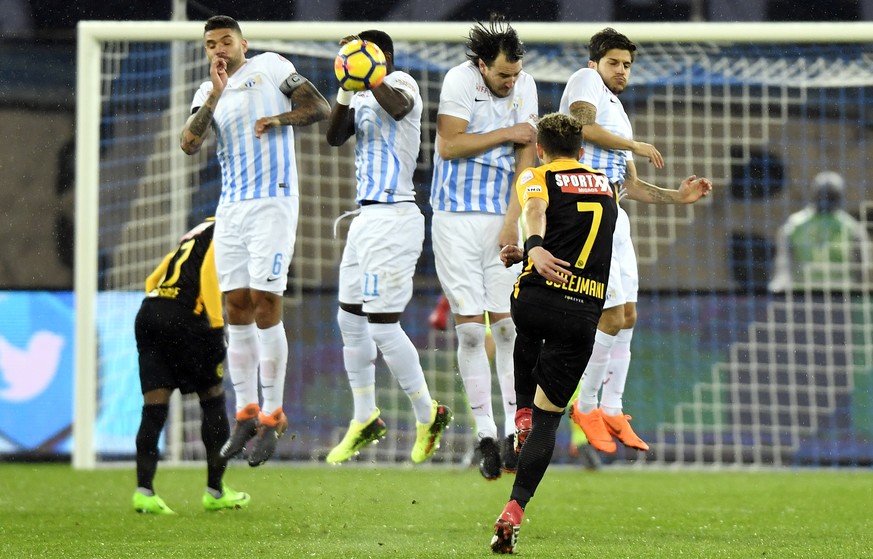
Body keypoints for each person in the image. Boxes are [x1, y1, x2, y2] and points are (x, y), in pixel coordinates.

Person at [180, 15, 330, 467]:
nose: (219, 49)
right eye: (211, 44)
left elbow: (318, 106)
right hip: (231, 208)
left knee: (266, 301)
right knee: (235, 306)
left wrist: (279, 117)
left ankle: (272, 414)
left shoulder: (271, 66)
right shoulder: (208, 91)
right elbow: (188, 143)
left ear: (243, 42)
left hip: (273, 202)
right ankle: (245, 411)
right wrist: (217, 95)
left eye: (226, 41)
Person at [558, 28, 712, 454]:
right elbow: (582, 128)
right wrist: (636, 144)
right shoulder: (584, 81)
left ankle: (611, 406)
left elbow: (633, 186)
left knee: (627, 314)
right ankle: (585, 406)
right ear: (596, 62)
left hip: (614, 209)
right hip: (584, 209)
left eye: (627, 65)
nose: (621, 71)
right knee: (608, 315)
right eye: (614, 63)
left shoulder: (619, 111)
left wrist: (678, 198)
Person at [489, 113, 618, 553]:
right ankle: (514, 510)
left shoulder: (536, 175)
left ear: (541, 149)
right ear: (582, 152)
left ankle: (519, 414)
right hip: (583, 312)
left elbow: (536, 210)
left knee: (525, 325)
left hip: (539, 297)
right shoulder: (605, 182)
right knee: (551, 420)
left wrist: (533, 248)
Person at [324, 30, 452, 464]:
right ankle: (365, 417)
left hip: (395, 216)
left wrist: (370, 72)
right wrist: (346, 86)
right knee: (349, 321)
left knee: (381, 326)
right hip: (364, 219)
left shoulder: (402, 83)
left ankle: (428, 412)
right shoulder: (358, 94)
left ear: (382, 57)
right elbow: (333, 136)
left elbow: (398, 110)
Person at [430, 13, 539, 480]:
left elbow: (526, 161)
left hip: (501, 218)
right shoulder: (459, 81)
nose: (510, 82)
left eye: (515, 74)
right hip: (454, 219)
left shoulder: (526, 86)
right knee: (472, 332)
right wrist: (505, 132)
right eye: (502, 75)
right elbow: (448, 146)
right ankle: (485, 434)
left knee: (509, 329)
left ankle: (518, 431)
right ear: (481, 65)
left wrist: (514, 224)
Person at [132, 218, 250, 515]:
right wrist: (215, 324)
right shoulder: (227, 227)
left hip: (150, 311)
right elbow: (210, 271)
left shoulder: (197, 232)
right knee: (212, 398)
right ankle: (215, 491)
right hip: (187, 314)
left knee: (154, 407)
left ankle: (144, 492)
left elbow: (152, 279)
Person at [769, 170, 871, 292]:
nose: (826, 200)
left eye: (830, 195)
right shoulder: (794, 226)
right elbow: (783, 267)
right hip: (810, 295)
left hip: (834, 295)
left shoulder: (852, 228)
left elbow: (863, 271)